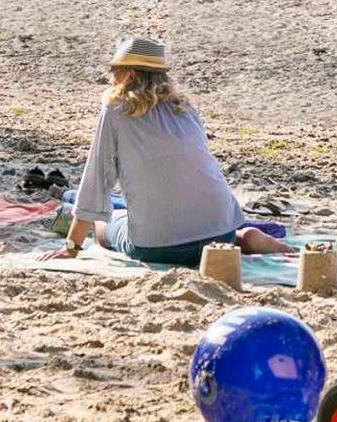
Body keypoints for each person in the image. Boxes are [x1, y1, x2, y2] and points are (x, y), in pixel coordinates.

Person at [51, 36, 291, 266]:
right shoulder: (184, 107)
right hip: (222, 232)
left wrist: (72, 247)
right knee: (187, 226)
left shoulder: (115, 110)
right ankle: (243, 237)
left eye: (115, 69)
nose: (111, 75)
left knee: (104, 225)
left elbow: (96, 182)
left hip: (157, 247)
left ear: (130, 75)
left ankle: (235, 239)